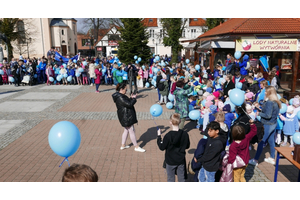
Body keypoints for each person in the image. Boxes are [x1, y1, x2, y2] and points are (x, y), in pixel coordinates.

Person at [249, 86, 281, 166]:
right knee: (271, 141)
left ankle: (255, 160)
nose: (265, 92)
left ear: (269, 93)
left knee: (261, 141)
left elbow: (268, 115)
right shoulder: (275, 101)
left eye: (266, 91)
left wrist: (259, 113)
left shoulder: (270, 102)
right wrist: (260, 109)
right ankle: (272, 157)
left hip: (267, 124)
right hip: (273, 123)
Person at [112, 82, 145, 153]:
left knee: (126, 130)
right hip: (126, 116)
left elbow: (126, 103)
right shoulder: (120, 97)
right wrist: (134, 99)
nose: (126, 91)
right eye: (125, 89)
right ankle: (136, 146)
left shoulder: (120, 96)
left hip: (125, 116)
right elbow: (129, 104)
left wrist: (131, 98)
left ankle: (123, 145)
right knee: (131, 130)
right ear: (121, 89)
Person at [156, 113, 190, 182]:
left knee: (171, 178)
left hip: (170, 161)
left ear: (170, 122)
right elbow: (187, 146)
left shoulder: (168, 136)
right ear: (180, 121)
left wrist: (159, 137)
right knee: (181, 178)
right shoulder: (185, 134)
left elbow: (162, 147)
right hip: (181, 160)